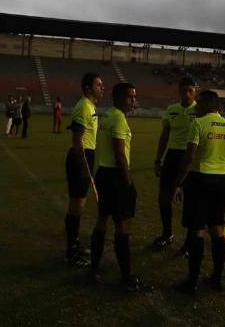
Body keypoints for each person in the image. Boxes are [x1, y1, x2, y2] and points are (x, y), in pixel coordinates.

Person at [173, 90, 225, 294]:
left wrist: (178, 184)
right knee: (217, 229)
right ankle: (216, 279)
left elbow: (189, 158)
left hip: (199, 179)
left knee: (197, 230)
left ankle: (192, 282)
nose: (196, 106)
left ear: (207, 104)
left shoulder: (198, 124)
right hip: (221, 181)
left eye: (199, 103)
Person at [89, 82, 150, 292]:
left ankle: (94, 268)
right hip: (116, 176)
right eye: (129, 97)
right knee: (123, 225)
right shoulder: (119, 119)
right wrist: (128, 181)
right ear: (117, 98)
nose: (133, 100)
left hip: (103, 173)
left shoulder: (107, 115)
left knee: (102, 219)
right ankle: (126, 276)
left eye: (134, 96)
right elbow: (120, 154)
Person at [152, 76, 197, 252]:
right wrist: (158, 159)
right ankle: (167, 234)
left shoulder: (200, 111)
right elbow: (164, 135)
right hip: (172, 156)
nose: (187, 94)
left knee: (191, 200)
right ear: (179, 91)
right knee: (164, 197)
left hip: (190, 157)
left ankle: (189, 241)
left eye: (190, 91)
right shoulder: (172, 110)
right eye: (184, 91)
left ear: (195, 92)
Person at [64, 73, 104, 267]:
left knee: (78, 204)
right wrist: (85, 166)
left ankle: (75, 244)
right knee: (76, 205)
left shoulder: (90, 106)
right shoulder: (83, 107)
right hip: (80, 157)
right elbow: (76, 140)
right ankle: (71, 251)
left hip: (87, 156)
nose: (102, 88)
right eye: (98, 85)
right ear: (88, 88)